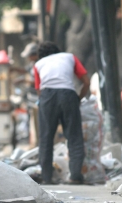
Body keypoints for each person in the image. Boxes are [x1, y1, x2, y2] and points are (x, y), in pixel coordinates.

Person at [33, 41, 90, 184]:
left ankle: (46, 178)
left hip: (47, 96)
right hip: (68, 94)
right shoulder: (70, 57)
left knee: (46, 139)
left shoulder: (38, 64)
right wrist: (77, 99)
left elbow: (39, 91)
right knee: (74, 136)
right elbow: (86, 82)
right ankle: (75, 176)